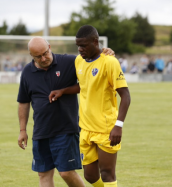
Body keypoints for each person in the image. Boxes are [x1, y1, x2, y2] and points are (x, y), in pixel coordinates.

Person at [17, 36, 115, 187]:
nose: (43, 58)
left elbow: (90, 59)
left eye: (45, 53)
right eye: (38, 56)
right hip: (41, 131)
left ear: (49, 47)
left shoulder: (69, 62)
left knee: (66, 172)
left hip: (66, 129)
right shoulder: (27, 72)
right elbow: (23, 102)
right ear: (31, 56)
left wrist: (103, 52)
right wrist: (22, 130)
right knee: (43, 174)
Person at [49, 25, 131, 187]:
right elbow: (84, 85)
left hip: (106, 128)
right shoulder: (79, 61)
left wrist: (118, 126)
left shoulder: (110, 62)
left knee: (107, 173)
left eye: (83, 45)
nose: (80, 49)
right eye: (78, 45)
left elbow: (126, 95)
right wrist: (63, 91)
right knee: (90, 175)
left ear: (95, 42)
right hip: (85, 127)